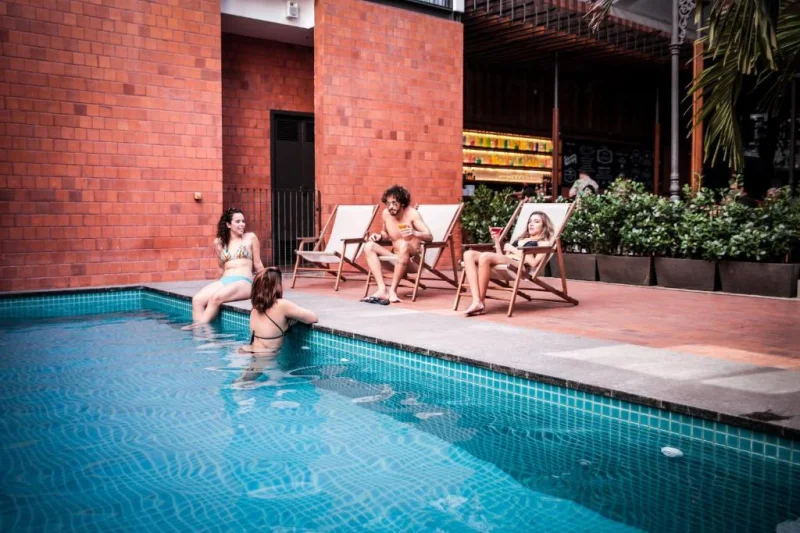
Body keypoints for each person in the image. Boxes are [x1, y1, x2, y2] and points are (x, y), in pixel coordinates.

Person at [461, 211, 555, 317]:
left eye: (536, 221)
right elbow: (501, 257)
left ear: (544, 226)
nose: (531, 224)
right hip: (508, 262)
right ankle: (476, 300)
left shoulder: (544, 243)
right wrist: (497, 241)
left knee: (485, 256)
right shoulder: (521, 239)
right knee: (468, 254)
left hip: (520, 266)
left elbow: (534, 263)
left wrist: (513, 249)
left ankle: (480, 302)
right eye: (530, 221)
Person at [236, 267, 318, 382]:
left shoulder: (255, 308)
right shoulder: (281, 305)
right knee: (243, 383)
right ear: (276, 286)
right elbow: (313, 318)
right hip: (265, 354)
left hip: (249, 349)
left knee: (245, 378)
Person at [188, 207, 264, 326]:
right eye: (237, 221)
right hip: (225, 281)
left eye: (243, 221)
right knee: (197, 300)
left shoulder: (250, 238)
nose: (242, 224)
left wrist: (266, 286)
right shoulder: (219, 242)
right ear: (228, 224)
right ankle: (202, 333)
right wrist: (219, 284)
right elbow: (221, 268)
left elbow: (258, 264)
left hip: (244, 282)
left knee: (216, 298)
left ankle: (198, 326)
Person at [361, 185, 433, 305]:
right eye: (388, 203)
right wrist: (380, 236)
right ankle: (382, 290)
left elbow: (429, 236)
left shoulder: (412, 214)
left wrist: (414, 233)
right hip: (395, 259)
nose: (391, 207)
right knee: (369, 246)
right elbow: (385, 233)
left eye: (394, 203)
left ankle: (393, 291)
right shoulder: (386, 214)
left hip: (413, 262)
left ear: (402, 203)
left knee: (405, 244)